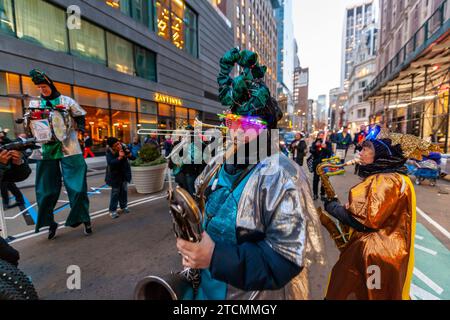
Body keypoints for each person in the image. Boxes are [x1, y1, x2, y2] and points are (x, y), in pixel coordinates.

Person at [174, 48, 325, 300]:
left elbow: (286, 257)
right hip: (208, 286)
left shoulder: (284, 176)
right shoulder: (220, 161)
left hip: (253, 296)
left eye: (247, 125)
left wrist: (215, 256)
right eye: (232, 121)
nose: (235, 131)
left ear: (266, 129)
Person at [322, 128, 439, 299]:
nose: (359, 153)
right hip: (387, 252)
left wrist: (334, 208)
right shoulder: (397, 177)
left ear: (382, 154)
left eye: (365, 149)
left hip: (374, 255)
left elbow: (365, 221)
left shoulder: (385, 180)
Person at [28, 69, 91, 239]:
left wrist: (82, 129)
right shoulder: (35, 104)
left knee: (77, 188)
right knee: (45, 190)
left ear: (50, 84)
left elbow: (80, 116)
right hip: (46, 148)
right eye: (40, 87)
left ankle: (84, 218)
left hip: (69, 146)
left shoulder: (66, 100)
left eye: (44, 86)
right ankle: (50, 223)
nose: (43, 90)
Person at [105, 138, 135, 219]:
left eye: (118, 143)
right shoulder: (109, 152)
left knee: (124, 191)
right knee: (115, 193)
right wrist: (119, 158)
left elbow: (133, 157)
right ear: (112, 147)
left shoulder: (124, 148)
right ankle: (112, 210)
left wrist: (130, 155)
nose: (119, 146)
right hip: (115, 176)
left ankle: (124, 206)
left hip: (124, 174)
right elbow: (111, 163)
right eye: (116, 145)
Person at [310, 131, 332, 200]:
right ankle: (315, 194)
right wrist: (315, 146)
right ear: (317, 136)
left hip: (325, 164)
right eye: (320, 135)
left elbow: (330, 153)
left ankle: (322, 194)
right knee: (315, 179)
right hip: (316, 163)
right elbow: (311, 151)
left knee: (324, 179)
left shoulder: (328, 143)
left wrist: (325, 147)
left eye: (323, 135)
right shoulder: (315, 143)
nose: (321, 136)